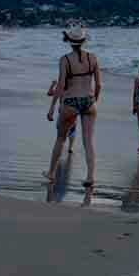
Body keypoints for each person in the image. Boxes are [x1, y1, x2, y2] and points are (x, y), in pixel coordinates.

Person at [46, 25, 101, 190]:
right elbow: (99, 84)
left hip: (70, 101)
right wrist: (94, 101)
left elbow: (61, 85)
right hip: (89, 101)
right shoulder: (93, 58)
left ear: (70, 42)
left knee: (61, 138)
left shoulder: (65, 60)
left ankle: (51, 173)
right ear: (84, 41)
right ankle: (91, 176)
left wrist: (52, 107)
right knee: (88, 141)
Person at [46, 79, 78, 159]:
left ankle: (63, 146)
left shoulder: (61, 90)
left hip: (63, 112)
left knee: (61, 131)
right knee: (72, 129)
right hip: (73, 111)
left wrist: (53, 84)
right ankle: (71, 147)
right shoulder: (75, 90)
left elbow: (49, 93)